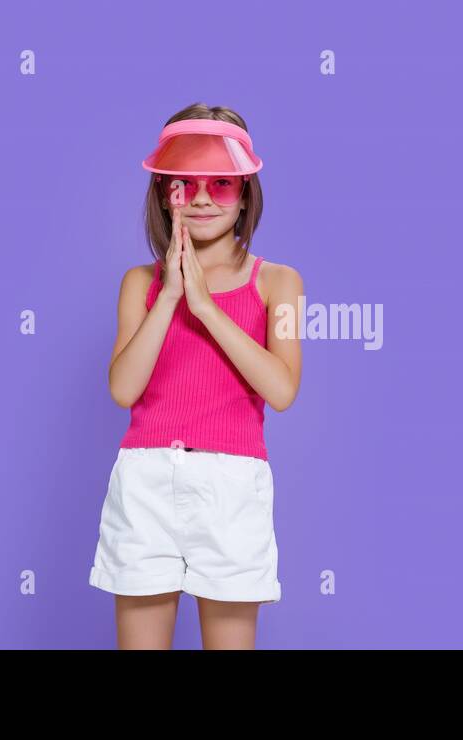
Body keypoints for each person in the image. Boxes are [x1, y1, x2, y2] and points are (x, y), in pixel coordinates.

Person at [89, 104, 304, 649]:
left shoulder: (280, 283)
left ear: (246, 193)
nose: (203, 197)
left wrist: (207, 309)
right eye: (184, 183)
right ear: (164, 193)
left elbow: (281, 389)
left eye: (222, 184)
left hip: (232, 486)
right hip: (146, 482)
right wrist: (170, 297)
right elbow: (123, 389)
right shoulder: (139, 282)